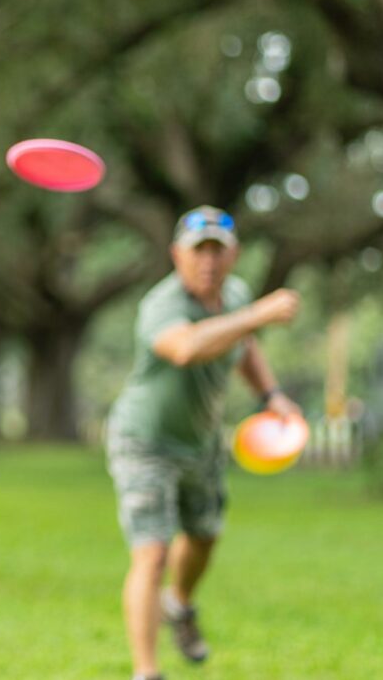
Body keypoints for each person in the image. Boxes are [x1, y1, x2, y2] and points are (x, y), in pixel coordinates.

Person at [105, 205, 301, 680]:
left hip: (202, 441)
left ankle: (180, 605)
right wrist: (255, 314)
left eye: (217, 250)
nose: (208, 261)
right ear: (177, 255)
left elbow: (244, 345)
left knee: (205, 535)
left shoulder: (233, 295)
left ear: (234, 255)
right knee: (151, 553)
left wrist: (270, 394)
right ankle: (146, 672)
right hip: (144, 441)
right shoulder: (163, 304)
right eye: (199, 251)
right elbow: (186, 347)